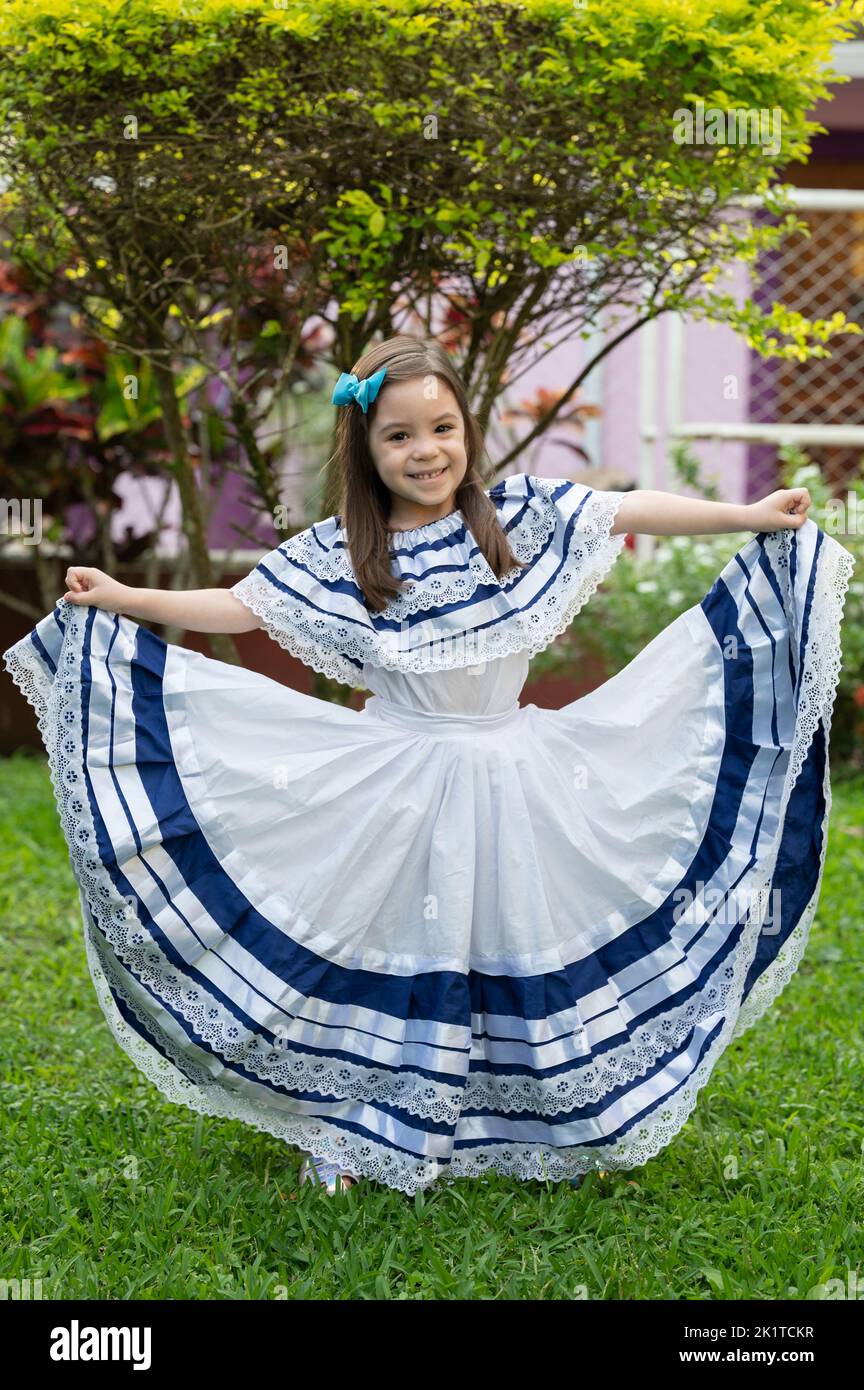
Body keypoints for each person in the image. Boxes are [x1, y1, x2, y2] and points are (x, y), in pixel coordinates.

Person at [3, 333, 855, 1200]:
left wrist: (752, 518)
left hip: (517, 770)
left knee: (514, 935)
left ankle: (551, 1113)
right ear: (367, 449)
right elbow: (240, 604)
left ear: (468, 433)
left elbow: (625, 509)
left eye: (442, 428)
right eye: (400, 436)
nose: (426, 451)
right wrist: (122, 598)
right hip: (398, 780)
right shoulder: (344, 553)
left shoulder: (516, 515)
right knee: (386, 945)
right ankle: (347, 1125)